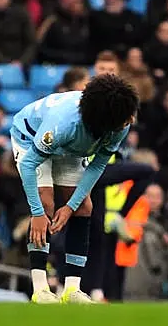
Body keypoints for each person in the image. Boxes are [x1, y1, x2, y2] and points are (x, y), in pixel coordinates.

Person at [10, 74, 139, 303]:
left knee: (84, 206)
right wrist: (37, 213)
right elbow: (29, 164)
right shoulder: (63, 124)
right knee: (45, 202)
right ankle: (40, 289)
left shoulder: (120, 123)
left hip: (71, 148)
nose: (130, 120)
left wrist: (70, 207)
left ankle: (72, 290)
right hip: (31, 137)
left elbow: (98, 165)